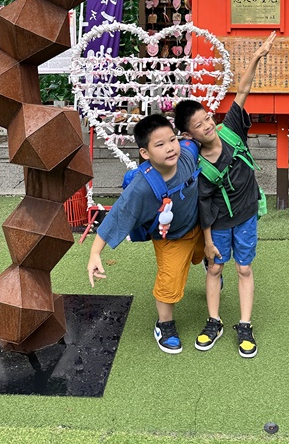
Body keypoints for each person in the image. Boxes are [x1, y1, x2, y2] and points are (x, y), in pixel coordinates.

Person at [174, 31, 276, 358]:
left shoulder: (230, 129)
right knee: (215, 269)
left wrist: (258, 56)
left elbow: (242, 89)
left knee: (244, 269)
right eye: (199, 125)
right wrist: (206, 240)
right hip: (218, 223)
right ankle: (213, 321)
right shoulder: (197, 165)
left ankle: (244, 324)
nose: (207, 125)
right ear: (188, 135)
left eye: (207, 118)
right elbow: (203, 205)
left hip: (245, 215)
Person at [87, 114, 204, 354]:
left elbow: (199, 141)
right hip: (171, 238)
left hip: (200, 224)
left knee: (210, 257)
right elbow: (117, 215)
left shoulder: (187, 154)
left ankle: (211, 270)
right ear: (145, 153)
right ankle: (165, 324)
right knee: (169, 281)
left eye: (172, 140)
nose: (170, 148)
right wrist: (95, 253)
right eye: (160, 145)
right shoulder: (142, 186)